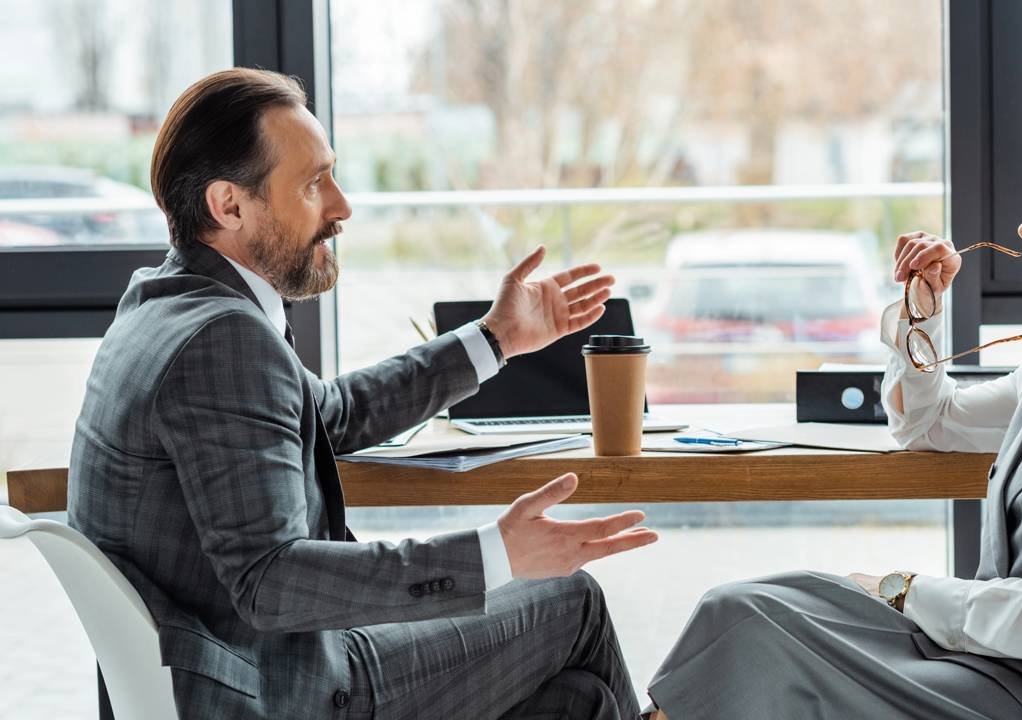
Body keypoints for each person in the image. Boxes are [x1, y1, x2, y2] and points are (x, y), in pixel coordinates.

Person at [67, 68, 658, 720]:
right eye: (313, 183)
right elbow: (270, 581)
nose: (342, 205)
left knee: (580, 703)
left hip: (234, 672)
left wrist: (497, 339)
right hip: (281, 692)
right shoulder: (222, 341)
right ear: (228, 205)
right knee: (572, 602)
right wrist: (499, 552)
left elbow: (329, 414)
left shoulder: (163, 303)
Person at [643, 120, 1022, 719]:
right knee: (739, 608)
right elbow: (930, 424)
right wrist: (922, 316)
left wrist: (901, 587)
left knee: (754, 630)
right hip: (987, 648)